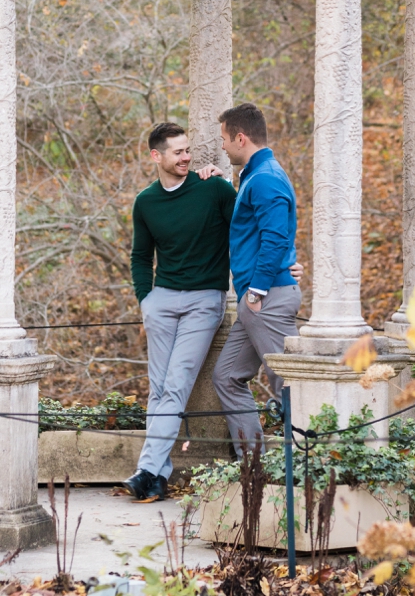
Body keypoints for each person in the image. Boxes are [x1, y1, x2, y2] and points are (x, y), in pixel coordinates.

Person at [125, 121, 235, 503]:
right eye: (178, 151)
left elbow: (250, 224)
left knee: (175, 385)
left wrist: (229, 181)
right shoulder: (147, 202)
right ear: (157, 156)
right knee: (159, 389)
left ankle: (145, 471)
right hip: (162, 301)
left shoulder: (213, 189)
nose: (187, 157)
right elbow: (141, 256)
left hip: (205, 299)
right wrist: (146, 299)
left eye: (188, 150)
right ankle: (157, 477)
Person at [209, 101, 301, 454]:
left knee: (288, 384)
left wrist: (259, 288)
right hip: (260, 296)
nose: (221, 146)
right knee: (228, 376)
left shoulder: (265, 178)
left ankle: (309, 470)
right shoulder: (254, 176)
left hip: (267, 298)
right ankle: (255, 465)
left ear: (241, 137)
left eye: (224, 139)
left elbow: (276, 236)